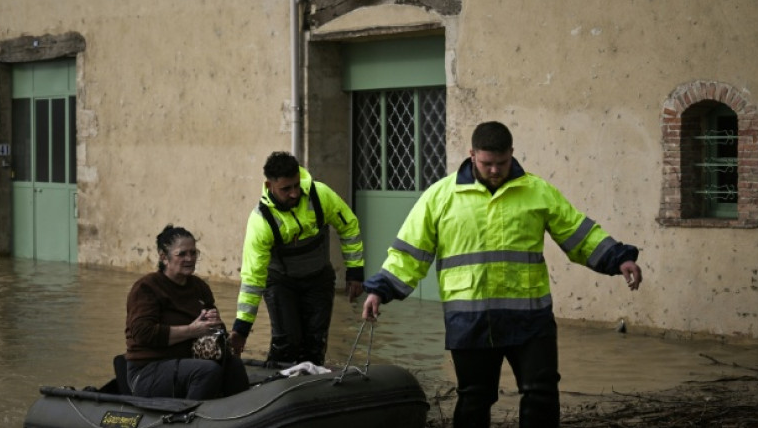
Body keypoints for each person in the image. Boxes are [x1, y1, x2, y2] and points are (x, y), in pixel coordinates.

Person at [361, 121, 643, 428]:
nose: (494, 170)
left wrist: (618, 259)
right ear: (471, 155)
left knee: (542, 394)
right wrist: (381, 289)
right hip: (470, 321)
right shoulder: (440, 196)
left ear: (512, 153)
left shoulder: (537, 191)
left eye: (501, 163)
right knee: (475, 398)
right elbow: (410, 253)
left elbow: (577, 232)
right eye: (487, 163)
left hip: (530, 319)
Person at [229, 151, 365, 366]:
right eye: (286, 189)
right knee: (288, 343)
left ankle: (312, 387)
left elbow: (349, 226)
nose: (293, 194)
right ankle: (276, 383)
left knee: (315, 344)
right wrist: (242, 328)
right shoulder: (261, 221)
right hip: (281, 283)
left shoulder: (320, 195)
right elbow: (253, 278)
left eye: (296, 185)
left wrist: (355, 271)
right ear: (269, 185)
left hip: (318, 279)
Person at [125, 224, 249, 400]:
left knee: (234, 365)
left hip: (190, 362)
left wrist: (215, 325)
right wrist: (192, 330)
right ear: (163, 257)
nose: (189, 258)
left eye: (193, 253)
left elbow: (213, 330)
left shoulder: (199, 287)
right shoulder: (146, 288)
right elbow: (143, 333)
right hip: (147, 371)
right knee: (206, 371)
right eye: (182, 254)